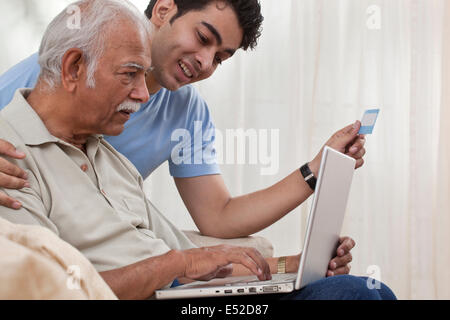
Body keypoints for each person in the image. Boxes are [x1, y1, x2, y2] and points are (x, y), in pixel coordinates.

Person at [0, 0, 397, 300]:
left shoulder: (130, 142)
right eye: (204, 38)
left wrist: (295, 257)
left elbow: (214, 220)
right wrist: (180, 263)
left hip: (176, 288)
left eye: (221, 57)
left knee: (363, 290)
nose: (206, 63)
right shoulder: (35, 106)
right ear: (164, 8)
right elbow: (51, 285)